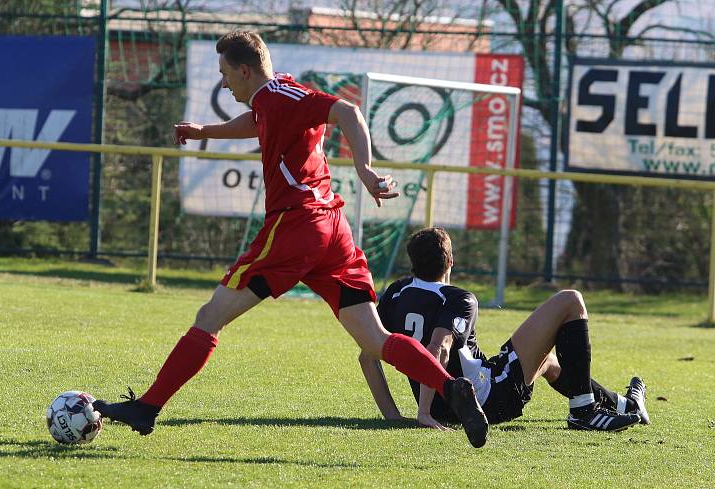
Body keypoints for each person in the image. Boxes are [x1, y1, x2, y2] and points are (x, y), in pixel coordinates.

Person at [94, 31, 489, 448]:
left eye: (226, 74)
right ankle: (450, 387)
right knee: (375, 339)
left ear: (245, 70)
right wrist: (203, 130)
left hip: (297, 226)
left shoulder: (283, 96)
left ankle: (147, 408)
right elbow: (257, 121)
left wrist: (366, 169)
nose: (224, 83)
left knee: (210, 316)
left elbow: (349, 112)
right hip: (332, 231)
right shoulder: (272, 95)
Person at [361, 227, 650, 432]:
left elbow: (368, 355)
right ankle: (584, 412)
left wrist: (393, 415)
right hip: (487, 399)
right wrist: (422, 413)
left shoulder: (397, 292)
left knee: (547, 362)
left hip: (447, 406)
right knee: (571, 300)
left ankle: (625, 405)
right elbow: (440, 348)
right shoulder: (458, 298)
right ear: (450, 261)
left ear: (413, 263)